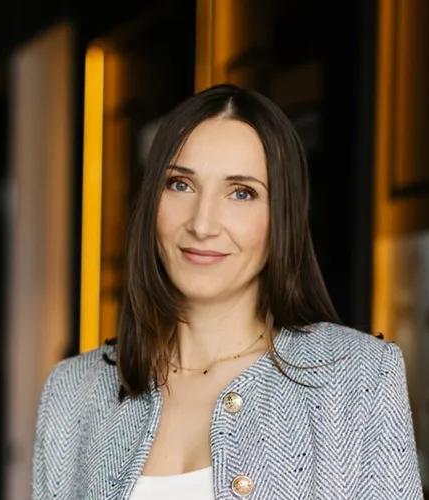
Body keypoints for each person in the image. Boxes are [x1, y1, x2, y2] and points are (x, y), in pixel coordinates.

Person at [31, 84, 424, 499]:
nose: (202, 224)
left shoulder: (358, 377)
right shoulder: (73, 393)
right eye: (180, 184)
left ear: (282, 217)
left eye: (241, 193)